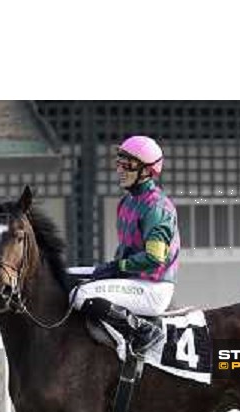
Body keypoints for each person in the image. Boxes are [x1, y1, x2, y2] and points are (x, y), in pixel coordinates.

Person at [71, 135, 180, 356]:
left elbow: (154, 258)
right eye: (119, 162)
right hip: (133, 281)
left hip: (153, 288)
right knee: (67, 275)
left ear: (148, 170)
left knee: (79, 294)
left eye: (127, 164)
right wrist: (112, 269)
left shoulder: (156, 207)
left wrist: (118, 267)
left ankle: (143, 330)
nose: (120, 169)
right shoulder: (127, 202)